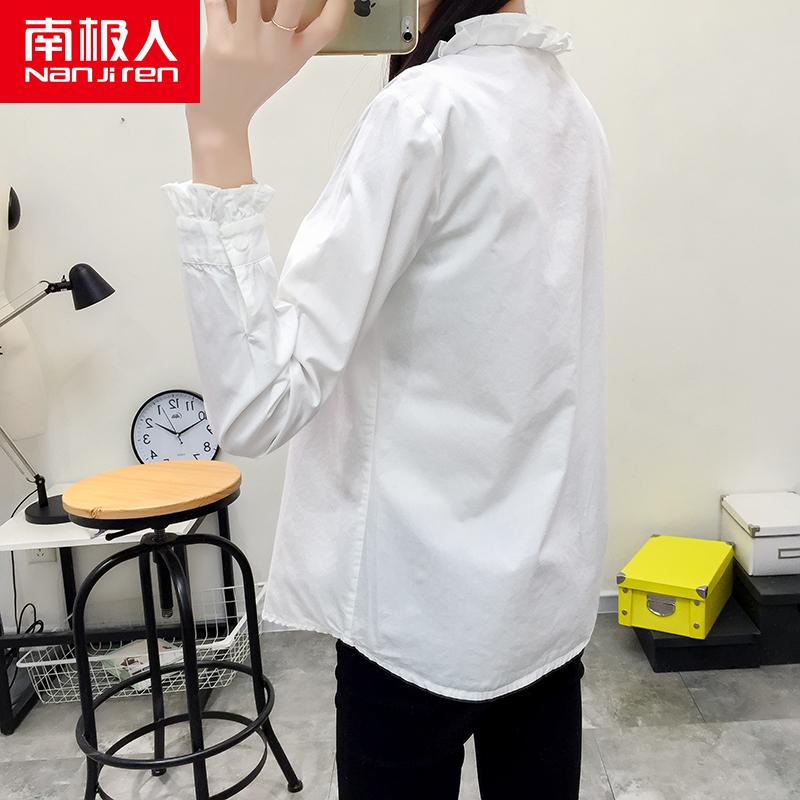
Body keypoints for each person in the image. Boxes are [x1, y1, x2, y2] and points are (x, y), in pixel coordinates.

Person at [161, 0, 610, 797]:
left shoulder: (423, 114)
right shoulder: (571, 112)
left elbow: (258, 402)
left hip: (415, 613)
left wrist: (218, 130)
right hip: (543, 603)